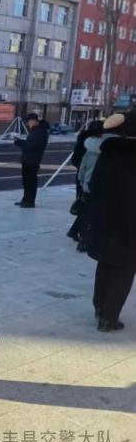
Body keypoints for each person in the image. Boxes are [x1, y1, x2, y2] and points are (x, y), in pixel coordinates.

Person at [86, 112, 136, 332]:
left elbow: (94, 185)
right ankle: (109, 317)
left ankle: (99, 307)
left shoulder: (108, 152)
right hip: (130, 225)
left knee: (105, 264)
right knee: (125, 269)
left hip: (105, 221)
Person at [68, 120, 104, 251]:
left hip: (83, 179)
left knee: (84, 206)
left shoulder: (84, 142)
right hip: (96, 182)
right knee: (91, 211)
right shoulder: (104, 146)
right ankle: (83, 238)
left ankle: (75, 231)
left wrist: (82, 177)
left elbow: (78, 161)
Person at [14, 113, 49, 208]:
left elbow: (32, 145)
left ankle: (30, 201)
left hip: (33, 160)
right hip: (28, 159)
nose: (28, 124)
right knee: (26, 181)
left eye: (28, 121)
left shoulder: (40, 131)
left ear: (34, 121)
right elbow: (29, 143)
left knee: (31, 182)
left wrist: (19, 142)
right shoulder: (35, 130)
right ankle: (25, 199)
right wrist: (20, 142)